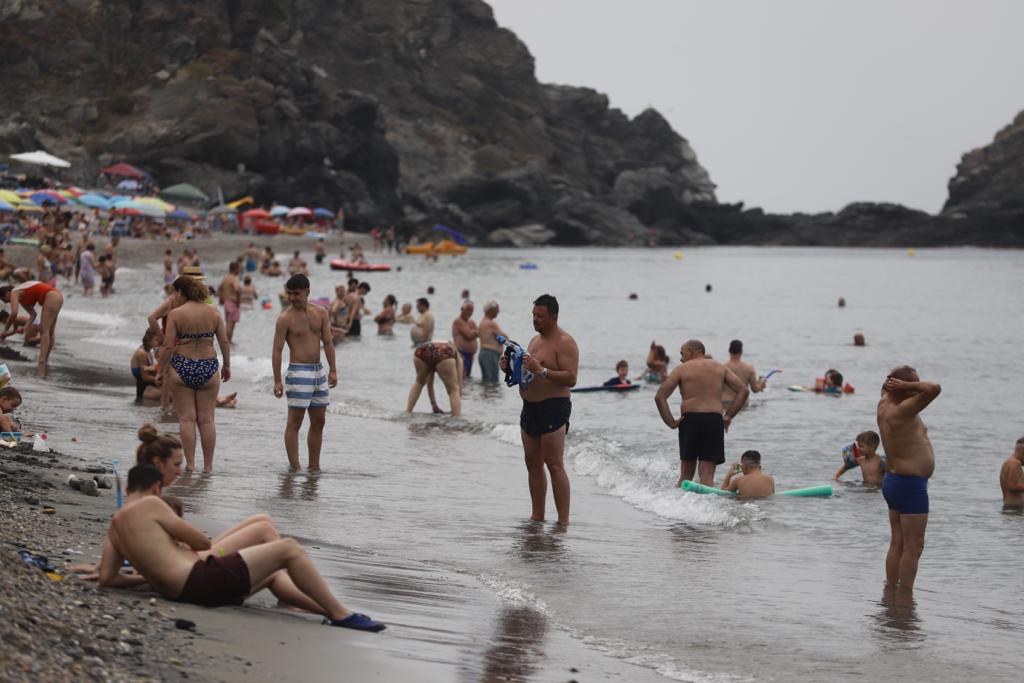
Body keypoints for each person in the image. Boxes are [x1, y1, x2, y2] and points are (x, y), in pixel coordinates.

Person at [96, 463, 384, 632]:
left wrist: (148, 580)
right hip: (201, 580)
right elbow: (202, 543)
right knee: (288, 549)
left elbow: (108, 579)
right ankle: (341, 614)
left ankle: (327, 610)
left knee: (271, 575)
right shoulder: (152, 504)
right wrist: (178, 543)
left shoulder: (115, 528)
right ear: (157, 487)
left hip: (186, 591)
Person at [500, 294, 578, 525]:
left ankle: (563, 521)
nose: (535, 320)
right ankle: (537, 516)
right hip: (529, 407)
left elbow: (571, 378)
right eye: (533, 315)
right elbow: (526, 373)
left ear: (553, 317)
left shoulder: (565, 342)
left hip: (554, 407)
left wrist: (542, 370)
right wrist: (508, 369)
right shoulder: (534, 341)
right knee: (532, 462)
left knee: (553, 464)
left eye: (540, 316)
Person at [877, 365, 941, 590]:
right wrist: (909, 385)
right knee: (914, 547)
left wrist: (899, 384)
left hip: (893, 481)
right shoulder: (903, 410)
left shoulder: (884, 404)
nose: (917, 392)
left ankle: (890, 590)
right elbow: (934, 389)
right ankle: (905, 597)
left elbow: (890, 388)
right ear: (902, 388)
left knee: (897, 541)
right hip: (910, 485)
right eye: (913, 386)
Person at [157, 276, 230, 473]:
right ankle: (208, 467)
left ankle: (190, 464)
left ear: (181, 293)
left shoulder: (176, 314)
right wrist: (227, 365)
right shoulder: (214, 312)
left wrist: (159, 369)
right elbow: (224, 341)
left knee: (186, 419)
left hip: (182, 365)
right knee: (207, 419)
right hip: (208, 365)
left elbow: (168, 345)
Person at [654, 339, 749, 487]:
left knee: (686, 474)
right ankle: (707, 509)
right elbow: (743, 391)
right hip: (714, 420)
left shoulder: (681, 369)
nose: (680, 357)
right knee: (707, 476)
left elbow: (660, 396)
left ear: (691, 351)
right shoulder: (720, 367)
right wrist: (728, 415)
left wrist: (671, 422)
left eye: (682, 353)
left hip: (690, 420)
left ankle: (676, 506)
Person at [272, 274, 337, 472]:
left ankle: (314, 467)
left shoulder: (321, 313)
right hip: (298, 371)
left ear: (307, 292)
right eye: (289, 293)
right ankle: (295, 467)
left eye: (296, 293)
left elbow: (328, 342)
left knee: (319, 421)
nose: (291, 297)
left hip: (319, 372)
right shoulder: (285, 318)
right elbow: (277, 350)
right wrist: (277, 380)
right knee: (295, 422)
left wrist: (333, 369)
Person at [0, 280, 64, 375]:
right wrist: (25, 327)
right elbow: (33, 315)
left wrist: (5, 330)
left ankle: (41, 361)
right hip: (57, 296)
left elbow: (13, 313)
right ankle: (45, 359)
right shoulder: (22, 296)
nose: (6, 302)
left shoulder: (14, 292)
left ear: (7, 292)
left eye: (4, 299)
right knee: (50, 331)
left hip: (51, 296)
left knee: (44, 331)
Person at [407, 341, 462, 416]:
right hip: (445, 351)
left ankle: (408, 412)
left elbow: (430, 383)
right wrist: (458, 398)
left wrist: (433, 404)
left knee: (419, 383)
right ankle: (457, 418)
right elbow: (459, 384)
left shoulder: (443, 345)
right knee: (454, 390)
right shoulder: (457, 355)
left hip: (422, 349)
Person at [722, 340, 766, 411]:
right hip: (742, 404)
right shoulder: (749, 369)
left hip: (724, 403)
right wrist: (761, 384)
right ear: (741, 351)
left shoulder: (721, 368)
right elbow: (755, 389)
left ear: (729, 350)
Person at [477, 300, 507, 384]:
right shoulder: (490, 324)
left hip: (485, 354)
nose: (498, 312)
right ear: (490, 310)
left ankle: (487, 396)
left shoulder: (482, 322)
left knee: (487, 381)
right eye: (497, 310)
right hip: (490, 355)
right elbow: (504, 338)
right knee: (492, 382)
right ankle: (491, 397)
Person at [131, 329, 163, 402]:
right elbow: (145, 377)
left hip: (150, 386)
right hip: (144, 389)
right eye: (156, 340)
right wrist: (161, 381)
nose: (158, 343)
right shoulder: (142, 353)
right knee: (172, 396)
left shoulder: (149, 351)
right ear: (149, 339)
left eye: (159, 340)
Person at [452, 300, 478, 381]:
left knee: (467, 377)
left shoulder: (471, 322)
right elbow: (469, 335)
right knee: (461, 377)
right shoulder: (458, 321)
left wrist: (475, 332)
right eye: (468, 310)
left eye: (471, 310)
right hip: (461, 353)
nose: (469, 312)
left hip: (470, 355)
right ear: (462, 309)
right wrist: (475, 332)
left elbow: (478, 332)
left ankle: (467, 393)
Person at [217, 261, 243, 344]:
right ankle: (228, 342)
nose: (240, 269)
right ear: (235, 268)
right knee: (231, 325)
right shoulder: (235, 278)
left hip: (226, 303)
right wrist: (238, 301)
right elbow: (237, 289)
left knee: (228, 323)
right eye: (239, 268)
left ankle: (226, 343)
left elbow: (219, 289)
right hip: (233, 303)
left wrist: (221, 299)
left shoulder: (225, 278)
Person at [999, 437, 1024, 510]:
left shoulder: (1010, 462)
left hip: (1011, 508)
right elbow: (1011, 486)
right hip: (1013, 510)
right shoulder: (1014, 463)